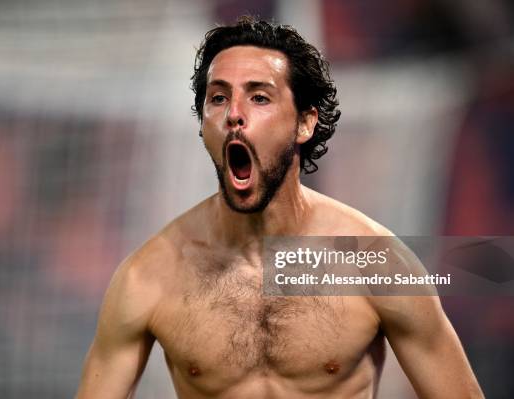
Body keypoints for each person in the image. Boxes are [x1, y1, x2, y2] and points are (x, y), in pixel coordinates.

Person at [76, 16, 483, 398]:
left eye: (259, 97)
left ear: (305, 123)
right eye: (218, 98)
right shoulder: (148, 276)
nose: (234, 115)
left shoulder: (376, 262)